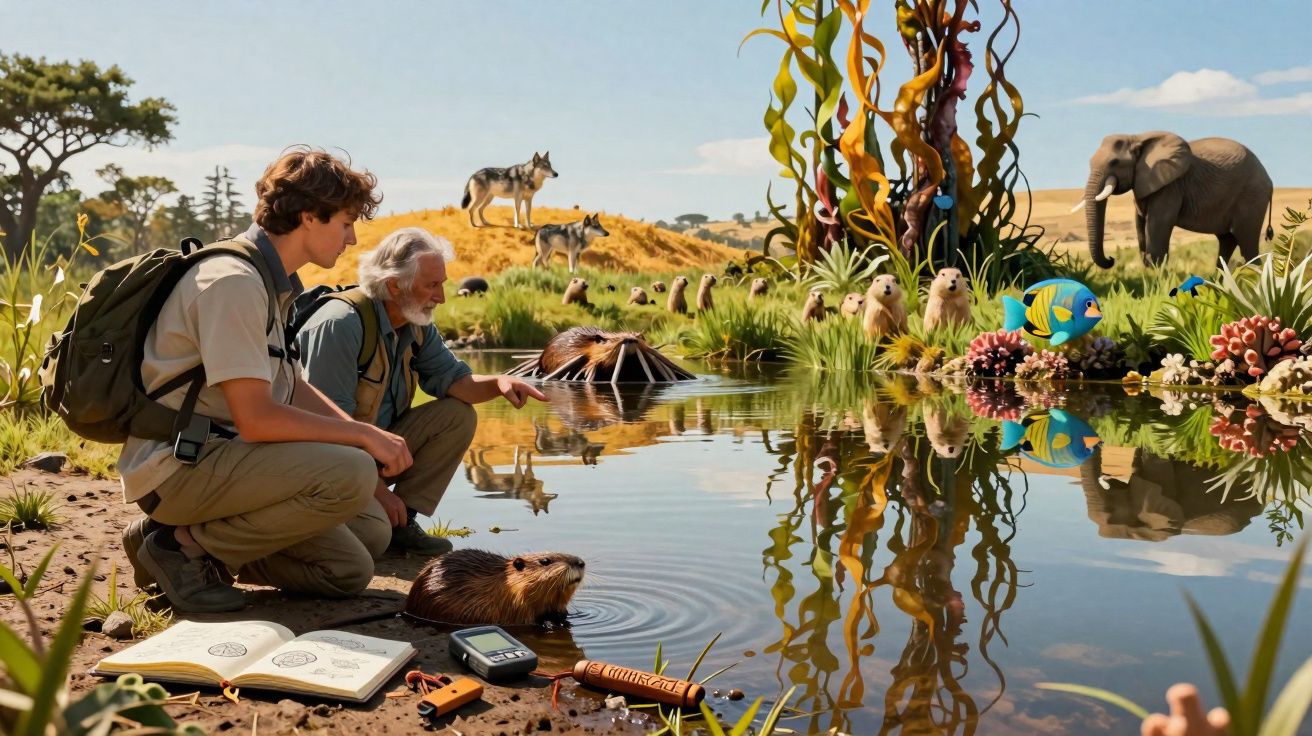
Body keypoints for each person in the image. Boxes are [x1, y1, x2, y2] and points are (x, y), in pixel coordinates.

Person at [121, 146, 412, 613]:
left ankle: (175, 543)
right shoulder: (233, 282)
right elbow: (256, 419)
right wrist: (362, 439)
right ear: (310, 216)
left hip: (226, 459)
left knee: (357, 555)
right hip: (178, 468)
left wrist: (363, 437)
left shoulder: (269, 282)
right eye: (345, 222)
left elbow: (292, 387)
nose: (353, 238)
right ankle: (181, 548)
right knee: (352, 475)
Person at [295, 227, 545, 555]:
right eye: (432, 285)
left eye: (441, 284)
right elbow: (327, 430)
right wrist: (377, 491)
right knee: (373, 537)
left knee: (456, 415)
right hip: (324, 461)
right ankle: (374, 519)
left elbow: (456, 381)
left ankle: (403, 523)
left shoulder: (415, 323)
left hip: (373, 452)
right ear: (394, 285)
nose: (441, 297)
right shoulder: (340, 324)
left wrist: (499, 383)